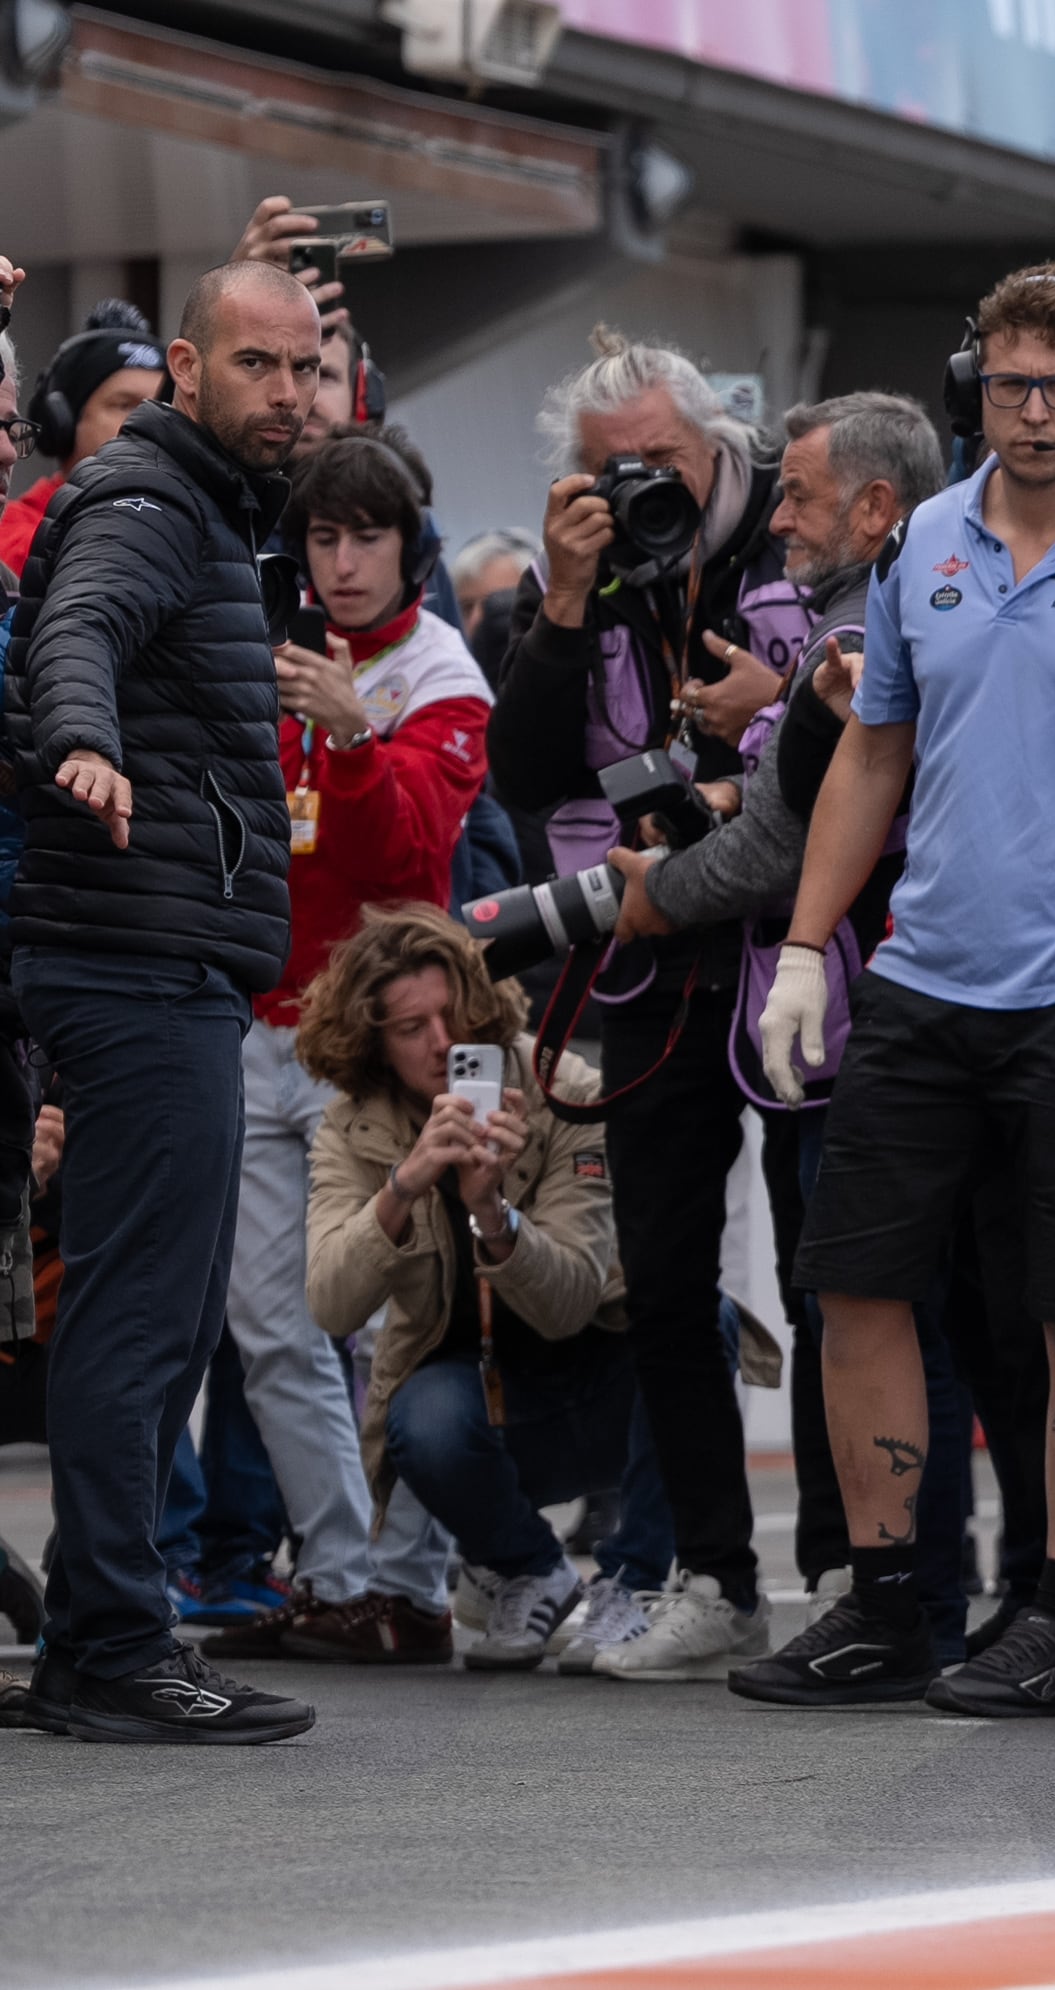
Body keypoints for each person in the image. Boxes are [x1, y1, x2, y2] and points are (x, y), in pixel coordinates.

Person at [752, 267, 1055, 1716]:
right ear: (972, 385)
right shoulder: (919, 545)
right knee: (852, 1285)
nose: (1036, 413)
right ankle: (890, 1603)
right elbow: (870, 754)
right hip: (920, 977)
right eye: (1012, 385)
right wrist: (802, 946)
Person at [591, 390, 979, 1663]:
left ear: (878, 510)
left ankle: (908, 1595)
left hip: (890, 1010)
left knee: (884, 1301)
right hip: (879, 1003)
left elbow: (786, 835)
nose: (783, 515)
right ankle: (918, 1590)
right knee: (889, 1300)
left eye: (802, 495)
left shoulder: (878, 627)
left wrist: (660, 898)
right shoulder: (871, 613)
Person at [11, 261, 317, 1743]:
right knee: (144, 1323)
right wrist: (81, 736)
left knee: (166, 1316)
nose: (287, 393)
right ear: (188, 369)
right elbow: (74, 630)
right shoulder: (147, 503)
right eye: (257, 365)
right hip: (133, 960)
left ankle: (97, 1639)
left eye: (304, 369)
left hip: (159, 957)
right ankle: (118, 1650)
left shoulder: (208, 504)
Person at [485, 327, 811, 1680]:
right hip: (646, 945)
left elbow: (882, 715)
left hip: (803, 940)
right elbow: (523, 769)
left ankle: (873, 1570)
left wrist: (772, 709)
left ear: (717, 448)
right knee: (667, 1277)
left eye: (660, 466)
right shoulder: (584, 571)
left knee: (828, 1267)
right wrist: (562, 600)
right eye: (610, 473)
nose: (641, 492)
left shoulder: (791, 530)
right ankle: (714, 1576)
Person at [187, 429, 495, 1669]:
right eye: (324, 536)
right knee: (269, 1326)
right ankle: (341, 1574)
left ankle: (413, 1586)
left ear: (409, 543)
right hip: (258, 1021)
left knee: (390, 1328)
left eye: (368, 534)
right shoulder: (272, 648)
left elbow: (415, 858)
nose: (345, 560)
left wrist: (357, 736)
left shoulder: (441, 670)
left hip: (376, 1046)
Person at [296, 904, 666, 1671]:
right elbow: (330, 1304)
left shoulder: (561, 1084)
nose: (442, 1043)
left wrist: (494, 1213)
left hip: (598, 1377)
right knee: (419, 1415)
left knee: (703, 1325)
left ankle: (635, 1579)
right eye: (409, 1028)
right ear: (372, 1042)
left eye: (450, 1013)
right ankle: (532, 1571)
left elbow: (570, 1302)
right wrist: (402, 1185)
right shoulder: (354, 1128)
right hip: (481, 1409)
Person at [0, 300, 164, 578]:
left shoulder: (181, 524)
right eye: (125, 405)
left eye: (160, 406)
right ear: (63, 423)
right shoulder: (15, 538)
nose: (149, 422)